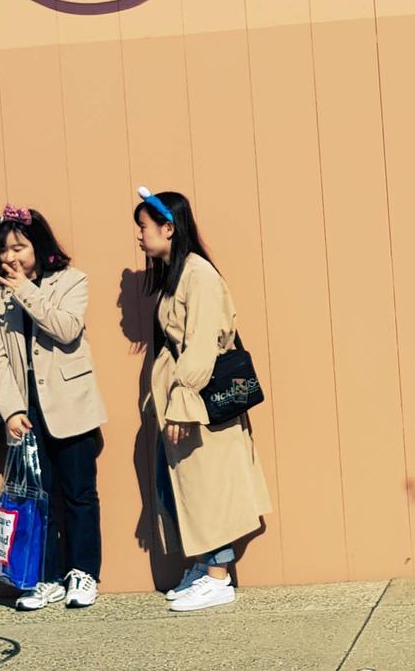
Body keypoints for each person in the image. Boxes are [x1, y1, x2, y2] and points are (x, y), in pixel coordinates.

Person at [134, 188, 272, 613]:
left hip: (197, 402)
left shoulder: (200, 276)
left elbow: (201, 346)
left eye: (143, 227)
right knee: (180, 486)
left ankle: (218, 575)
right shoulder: (178, 276)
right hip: (180, 398)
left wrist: (182, 400)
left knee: (209, 486)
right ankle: (202, 565)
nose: (139, 237)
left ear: (169, 228)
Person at [0, 204, 107, 611]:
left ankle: (83, 573)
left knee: (79, 495)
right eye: (3, 250)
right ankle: (49, 577)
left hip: (70, 407)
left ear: (39, 246)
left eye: (18, 247)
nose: (9, 257)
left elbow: (67, 329)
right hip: (28, 410)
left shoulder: (72, 281)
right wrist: (11, 409)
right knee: (41, 497)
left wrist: (24, 290)